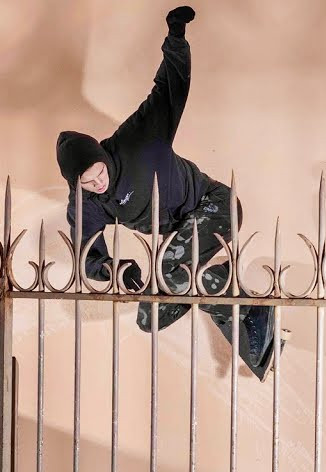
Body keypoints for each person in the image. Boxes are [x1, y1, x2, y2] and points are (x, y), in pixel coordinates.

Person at [55, 5, 278, 380]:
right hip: (181, 232)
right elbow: (87, 249)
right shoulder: (87, 201)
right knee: (149, 315)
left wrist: (176, 36)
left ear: (102, 157)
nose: (98, 184)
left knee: (174, 268)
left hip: (213, 205)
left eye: (98, 173)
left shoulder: (137, 140)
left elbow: (169, 89)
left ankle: (252, 311)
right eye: (88, 183)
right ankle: (224, 295)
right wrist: (116, 269)